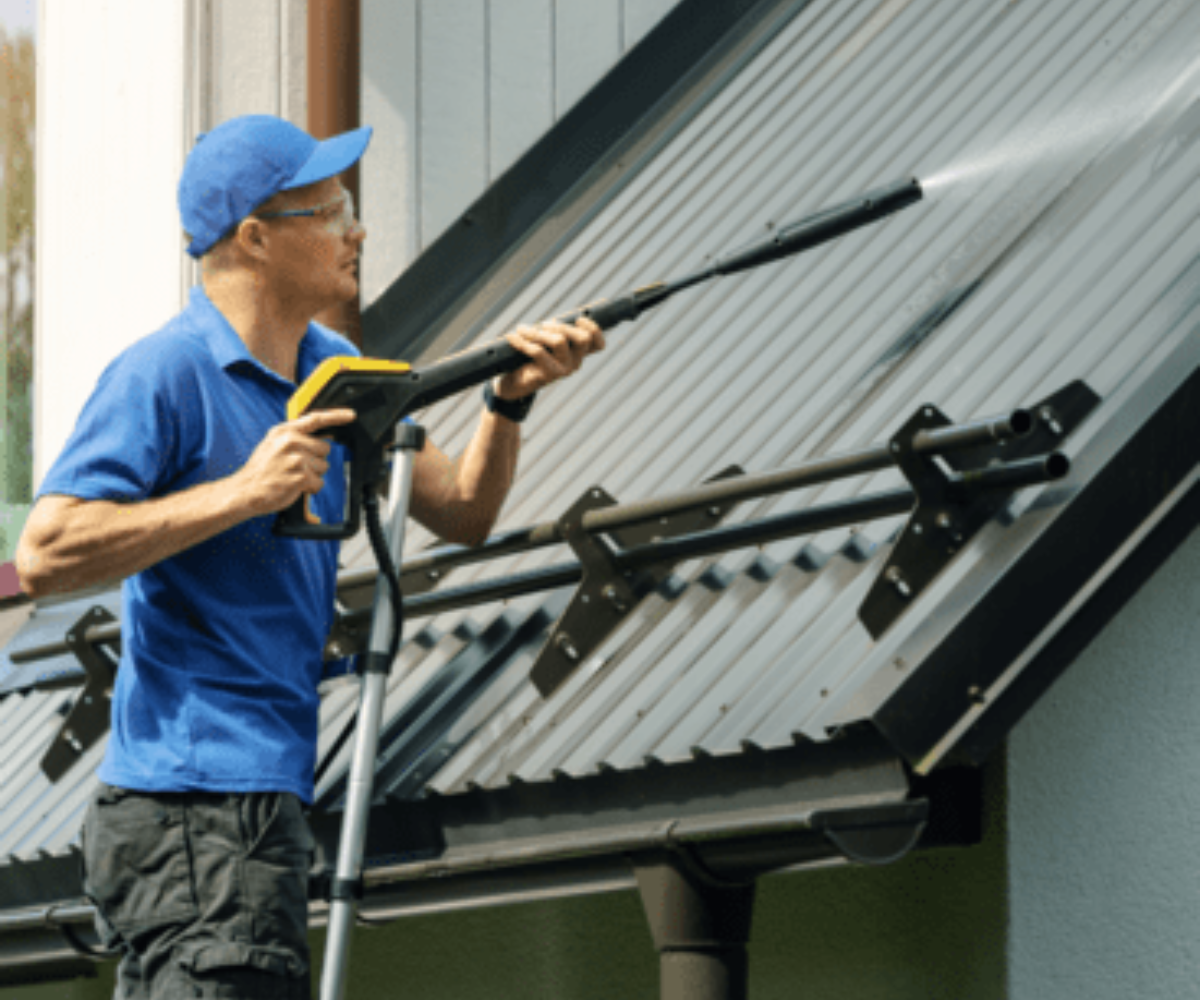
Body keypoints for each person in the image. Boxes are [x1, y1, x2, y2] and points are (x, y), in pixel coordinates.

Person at [14, 114, 604, 1000]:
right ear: (254, 238)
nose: (356, 232)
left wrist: (508, 403)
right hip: (194, 805)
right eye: (329, 213)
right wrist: (244, 492)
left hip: (253, 802)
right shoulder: (164, 374)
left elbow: (463, 511)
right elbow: (45, 551)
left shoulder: (335, 366)